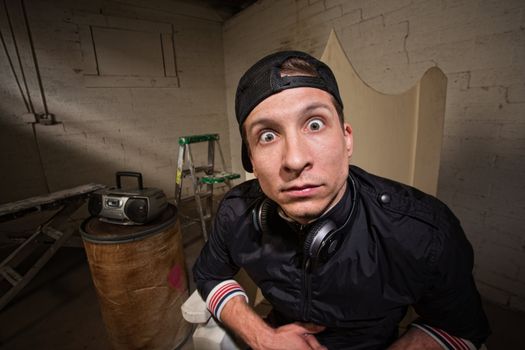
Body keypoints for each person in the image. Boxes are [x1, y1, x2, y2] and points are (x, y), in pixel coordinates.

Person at [193, 51, 490, 350]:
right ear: (252, 162)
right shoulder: (236, 213)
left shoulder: (424, 230)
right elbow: (209, 273)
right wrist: (263, 338)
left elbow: (460, 329)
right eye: (268, 135)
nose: (295, 160)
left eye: (314, 124)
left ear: (347, 139)